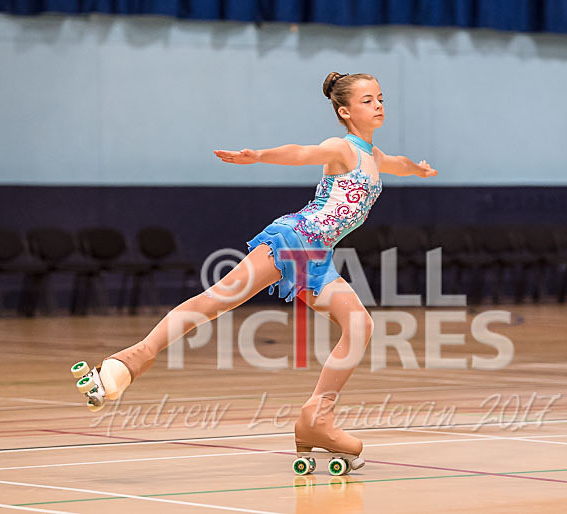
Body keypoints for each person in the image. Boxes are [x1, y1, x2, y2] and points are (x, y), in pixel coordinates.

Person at [78, 72, 437, 468]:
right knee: (217, 300)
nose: (380, 105)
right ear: (345, 111)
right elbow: (301, 152)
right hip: (293, 239)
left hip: (316, 258)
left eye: (380, 98)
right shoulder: (341, 148)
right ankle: (131, 360)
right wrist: (260, 156)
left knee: (359, 326)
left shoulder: (373, 157)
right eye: (368, 100)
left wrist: (417, 170)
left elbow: (396, 164)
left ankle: (317, 417)